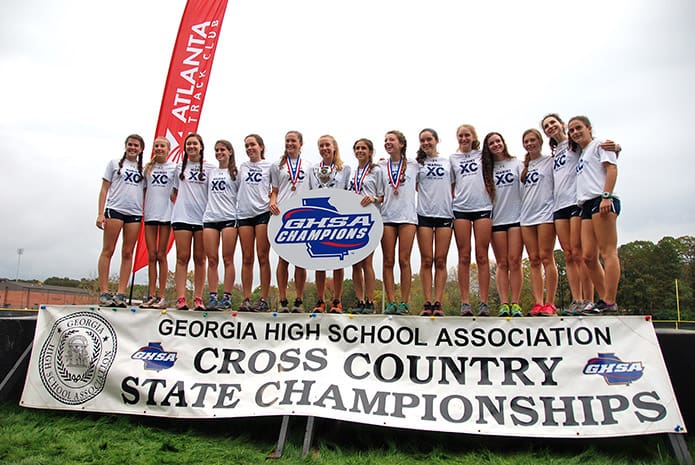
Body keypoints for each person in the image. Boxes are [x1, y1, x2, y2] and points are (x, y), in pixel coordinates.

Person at [541, 113, 621, 315]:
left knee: (598, 252)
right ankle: (596, 301)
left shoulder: (580, 145)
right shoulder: (567, 151)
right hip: (577, 204)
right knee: (584, 255)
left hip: (588, 202)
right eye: (546, 126)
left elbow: (609, 161)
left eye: (553, 123)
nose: (550, 127)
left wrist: (616, 148)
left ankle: (600, 300)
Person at [568, 115, 621, 314]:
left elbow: (612, 168)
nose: (575, 133)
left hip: (602, 200)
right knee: (588, 256)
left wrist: (606, 196)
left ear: (589, 128)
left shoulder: (601, 144)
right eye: (571, 130)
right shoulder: (581, 153)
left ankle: (610, 300)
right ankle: (604, 301)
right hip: (586, 205)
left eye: (578, 128)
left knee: (608, 252)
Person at [97, 134, 145, 307]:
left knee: (127, 252)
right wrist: (100, 213)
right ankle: (104, 292)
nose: (133, 148)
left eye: (136, 146)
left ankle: (121, 293)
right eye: (130, 145)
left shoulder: (144, 169)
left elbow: (146, 192)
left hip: (134, 213)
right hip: (115, 210)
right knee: (108, 250)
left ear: (141, 149)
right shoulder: (114, 164)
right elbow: (104, 189)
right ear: (125, 146)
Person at [450, 124, 494, 316]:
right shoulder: (452, 158)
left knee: (482, 256)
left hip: (483, 207)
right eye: (460, 135)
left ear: (474, 136)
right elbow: (450, 185)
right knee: (464, 256)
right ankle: (465, 302)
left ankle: (484, 303)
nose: (463, 138)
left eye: (467, 135)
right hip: (461, 209)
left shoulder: (483, 155)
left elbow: (504, 159)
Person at [308, 135, 352, 313]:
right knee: (319, 260)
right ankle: (320, 300)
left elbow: (350, 191)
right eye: (321, 145)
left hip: (337, 216)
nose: (324, 148)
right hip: (318, 217)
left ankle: (337, 301)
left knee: (337, 261)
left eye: (327, 145)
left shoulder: (345, 168)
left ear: (334, 147)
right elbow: (310, 192)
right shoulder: (313, 169)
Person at [171, 133, 214, 310]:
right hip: (182, 217)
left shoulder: (210, 168)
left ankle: (198, 298)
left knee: (200, 259)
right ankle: (181, 298)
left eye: (195, 144)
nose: (192, 147)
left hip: (203, 218)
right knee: (182, 257)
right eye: (188, 144)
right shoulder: (179, 168)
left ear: (201, 146)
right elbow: (173, 193)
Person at [519, 129, 558, 316]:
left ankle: (550, 303)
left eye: (533, 140)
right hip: (526, 216)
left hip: (545, 215)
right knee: (533, 260)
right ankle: (538, 302)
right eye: (526, 141)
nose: (530, 143)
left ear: (540, 141)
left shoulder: (550, 161)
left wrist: (616, 148)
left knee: (546, 257)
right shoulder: (523, 166)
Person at [485, 132, 524, 317]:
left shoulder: (516, 162)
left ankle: (515, 303)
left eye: (498, 141)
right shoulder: (486, 168)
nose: (495, 145)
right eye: (491, 143)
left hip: (516, 218)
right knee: (502, 263)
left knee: (515, 261)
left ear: (503, 142)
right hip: (496, 220)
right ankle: (503, 304)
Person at [415, 128, 453, 317]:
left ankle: (438, 302)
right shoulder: (416, 164)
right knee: (426, 260)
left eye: (429, 139)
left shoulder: (448, 162)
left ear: (437, 140)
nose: (426, 143)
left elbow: (454, 186)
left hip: (445, 214)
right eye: (422, 140)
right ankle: (427, 301)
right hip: (424, 215)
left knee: (440, 260)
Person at [270, 131, 309, 313]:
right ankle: (283, 300)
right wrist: (272, 201)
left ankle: (299, 300)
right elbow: (275, 190)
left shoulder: (309, 166)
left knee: (300, 259)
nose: (290, 144)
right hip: (283, 214)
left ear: (301, 143)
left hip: (303, 215)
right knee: (283, 258)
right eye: (287, 141)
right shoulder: (277, 166)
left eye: (293, 141)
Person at [379, 130, 417, 315]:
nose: (388, 143)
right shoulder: (380, 166)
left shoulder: (414, 165)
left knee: (404, 260)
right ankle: (391, 301)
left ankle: (404, 302)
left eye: (391, 140)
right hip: (387, 217)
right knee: (388, 261)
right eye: (385, 140)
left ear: (401, 144)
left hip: (408, 217)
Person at [202, 139, 239, 310]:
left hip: (229, 218)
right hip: (210, 218)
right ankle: (212, 296)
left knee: (227, 259)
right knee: (212, 260)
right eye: (216, 150)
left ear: (230, 151)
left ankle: (227, 297)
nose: (219, 153)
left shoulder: (237, 173)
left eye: (222, 150)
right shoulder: (211, 171)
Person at [140, 136, 176, 309]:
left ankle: (161, 296)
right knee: (151, 255)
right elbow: (143, 190)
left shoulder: (174, 168)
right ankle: (151, 294)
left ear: (168, 149)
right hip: (150, 215)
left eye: (163, 146)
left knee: (162, 254)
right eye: (157, 146)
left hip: (166, 215)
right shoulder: (147, 168)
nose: (160, 149)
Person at [237, 134, 272, 312]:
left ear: (261, 146)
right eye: (247, 146)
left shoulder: (270, 166)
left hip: (262, 213)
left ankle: (264, 298)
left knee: (263, 256)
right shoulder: (242, 167)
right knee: (247, 257)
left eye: (253, 145)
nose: (250, 148)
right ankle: (246, 298)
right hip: (244, 214)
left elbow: (275, 189)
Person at [348, 138, 382, 314]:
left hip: (370, 219)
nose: (360, 151)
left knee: (367, 261)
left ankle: (370, 301)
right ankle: (360, 300)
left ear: (370, 152)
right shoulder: (352, 173)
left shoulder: (377, 171)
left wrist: (373, 198)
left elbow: (383, 196)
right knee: (355, 263)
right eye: (357, 148)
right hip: (353, 220)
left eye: (364, 148)